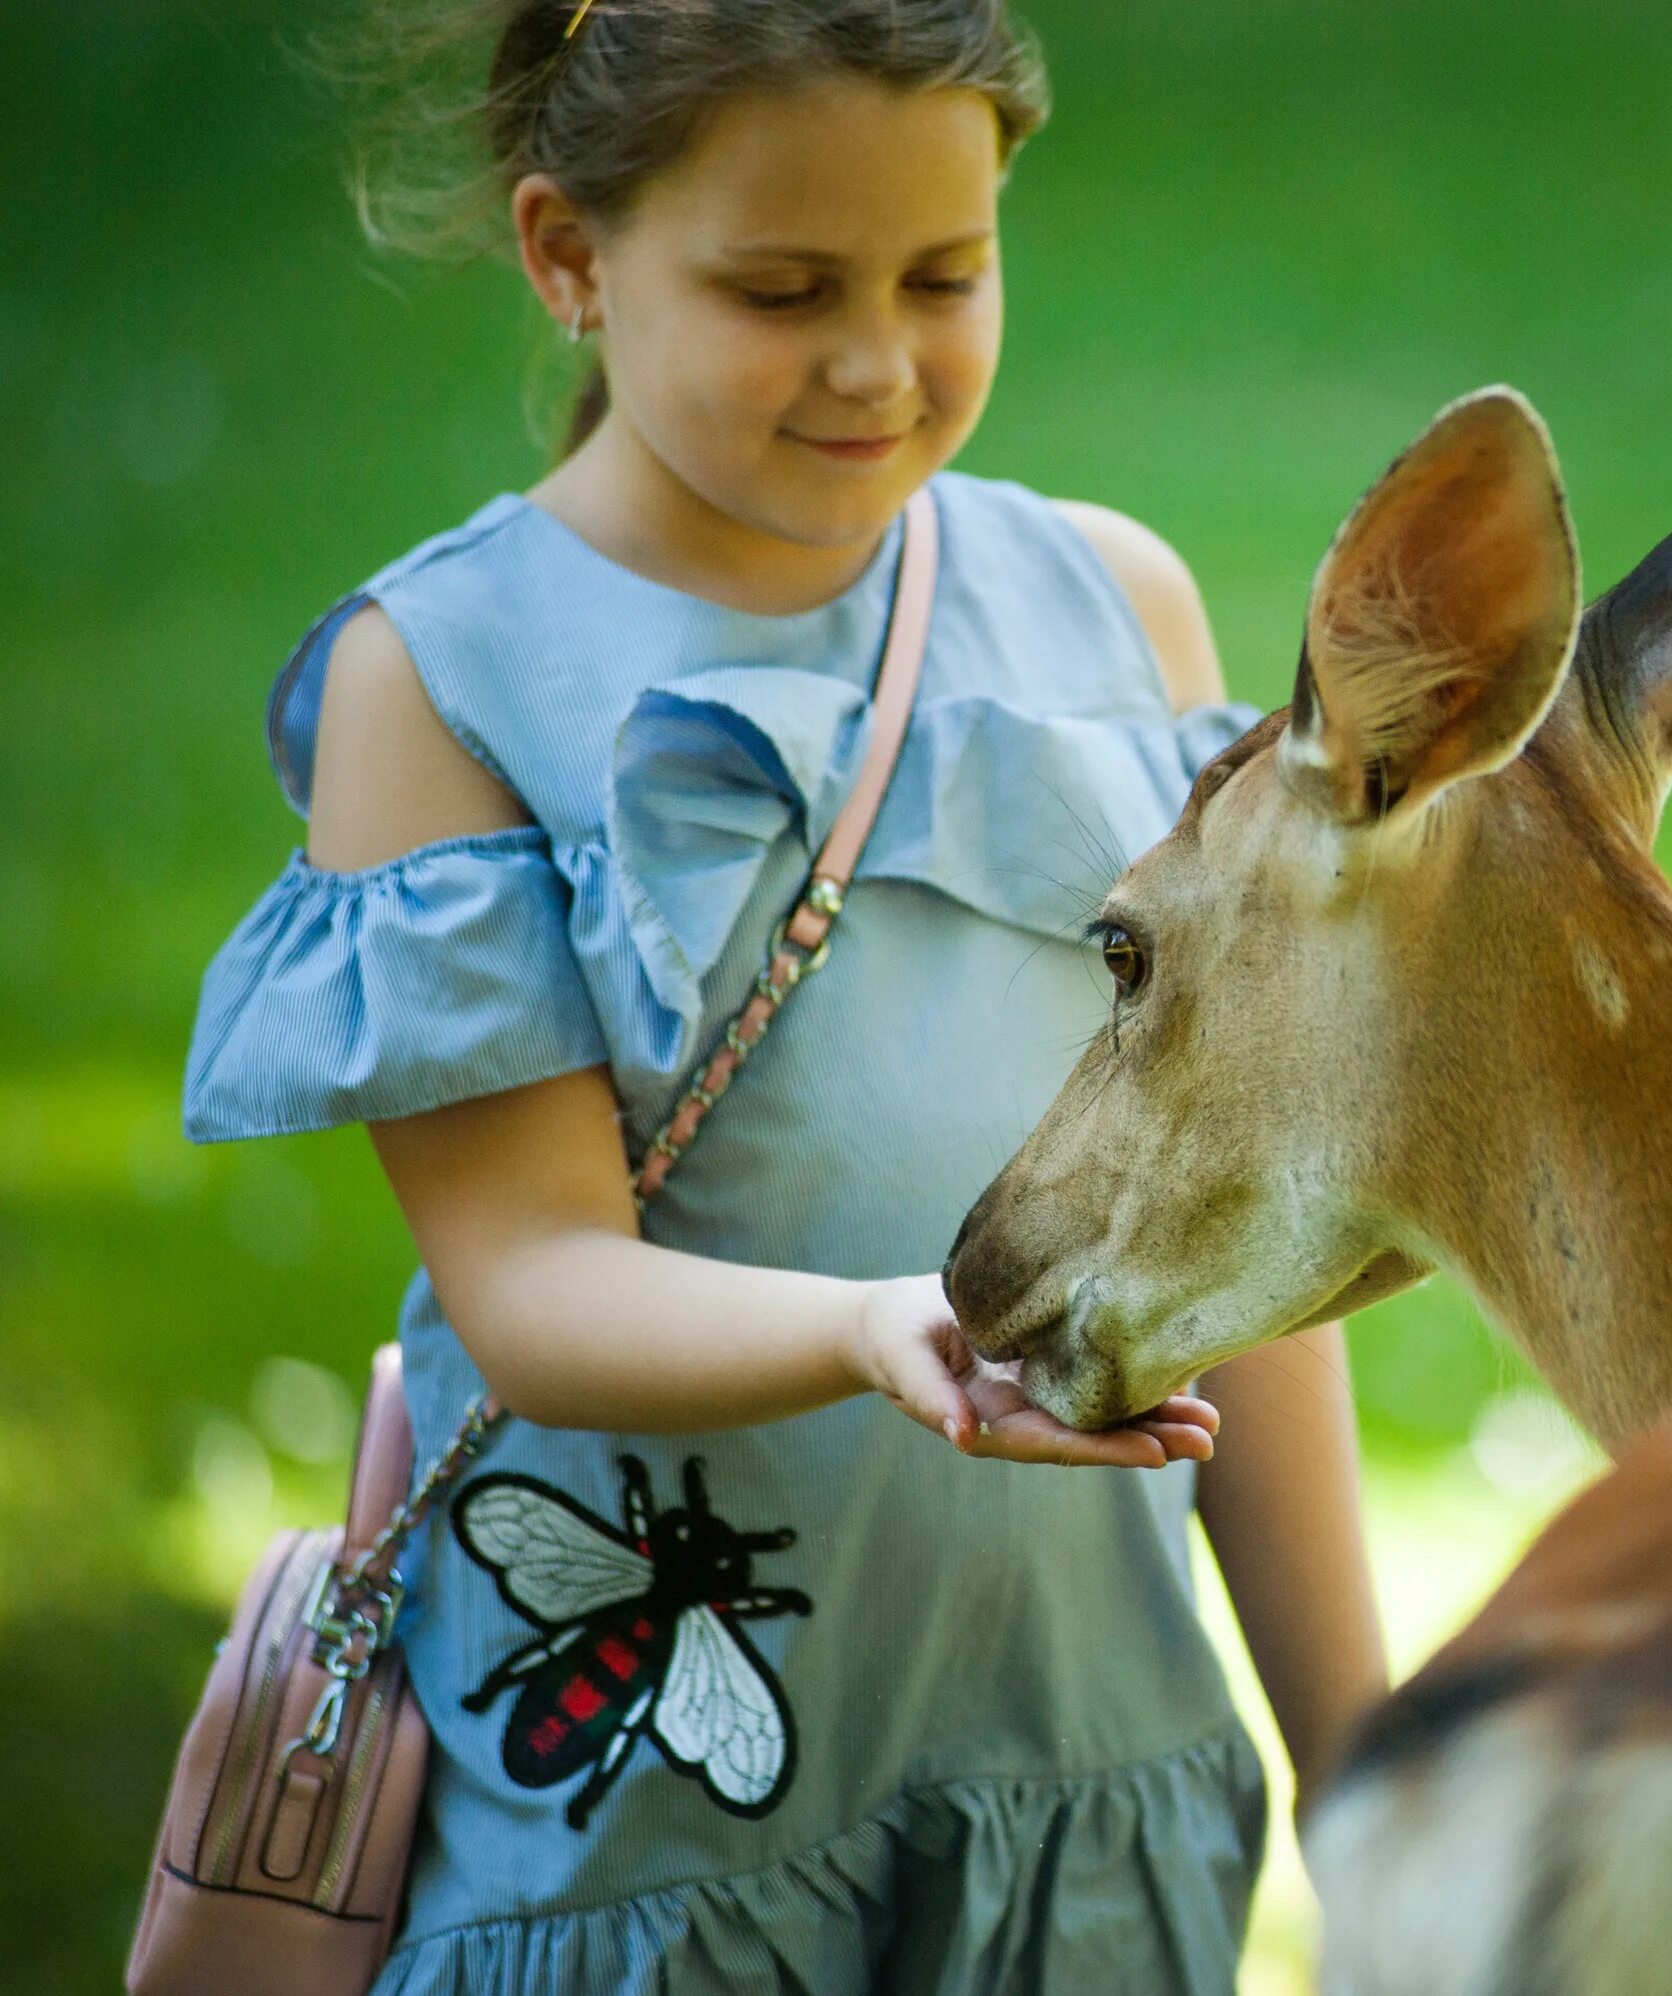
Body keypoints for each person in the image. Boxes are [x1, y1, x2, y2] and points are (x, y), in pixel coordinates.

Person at [179, 2, 1388, 1987]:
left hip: (1075, 1783)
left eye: (945, 275)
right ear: (570, 254)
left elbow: (1242, 1253)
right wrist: (868, 1324)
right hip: (653, 1846)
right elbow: (534, 1282)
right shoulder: (443, 674)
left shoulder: (1117, 606)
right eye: (780, 288)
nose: (875, 360)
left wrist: (1364, 1774)